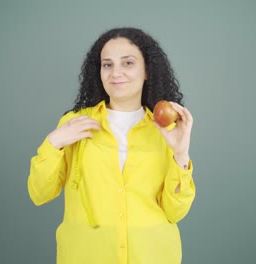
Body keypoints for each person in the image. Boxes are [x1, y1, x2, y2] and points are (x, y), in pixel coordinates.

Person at [28, 27, 196, 264]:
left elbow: (175, 211)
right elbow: (39, 193)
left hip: (153, 256)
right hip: (86, 256)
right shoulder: (74, 124)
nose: (116, 72)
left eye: (128, 63)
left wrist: (180, 154)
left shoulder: (167, 129)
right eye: (107, 65)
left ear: (147, 70)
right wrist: (53, 143)